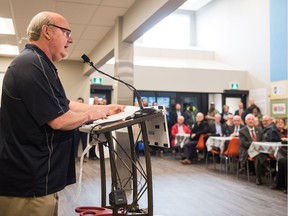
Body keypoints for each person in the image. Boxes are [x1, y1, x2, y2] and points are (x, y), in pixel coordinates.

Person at [0, 11, 125, 216]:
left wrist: (105, 109)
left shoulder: (40, 64)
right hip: (29, 187)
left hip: (40, 180)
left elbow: (65, 104)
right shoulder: (32, 64)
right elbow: (59, 120)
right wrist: (94, 113)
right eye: (66, 32)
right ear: (47, 31)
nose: (71, 38)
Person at [239, 114, 266, 185]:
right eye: (249, 119)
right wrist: (254, 144)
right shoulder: (242, 131)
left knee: (259, 154)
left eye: (252, 119)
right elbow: (244, 143)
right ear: (245, 121)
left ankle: (264, 169)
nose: (251, 121)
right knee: (257, 155)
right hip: (248, 150)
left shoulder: (259, 129)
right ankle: (259, 176)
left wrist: (258, 145)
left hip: (260, 150)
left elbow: (263, 140)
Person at [73, 97, 88, 162]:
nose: (79, 103)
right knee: (75, 143)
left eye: (80, 102)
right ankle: (75, 157)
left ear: (82, 103)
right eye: (78, 102)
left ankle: (85, 157)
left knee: (85, 144)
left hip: (84, 129)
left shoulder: (85, 111)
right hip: (76, 129)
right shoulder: (73, 111)